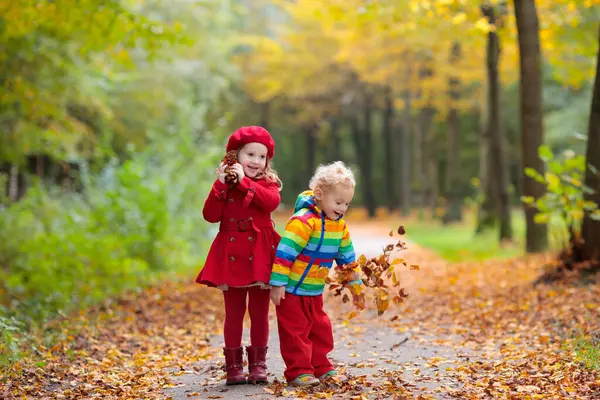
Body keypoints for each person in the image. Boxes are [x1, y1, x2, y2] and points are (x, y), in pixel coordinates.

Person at [196, 126, 282, 385]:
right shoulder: (224, 184)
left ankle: (258, 365)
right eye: (250, 155)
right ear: (235, 156)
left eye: (262, 156)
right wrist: (221, 184)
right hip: (231, 251)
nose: (256, 161)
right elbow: (210, 215)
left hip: (260, 252)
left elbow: (270, 203)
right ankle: (233, 367)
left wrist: (244, 181)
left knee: (259, 312)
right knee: (233, 313)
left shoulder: (267, 184)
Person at [269, 161, 362, 386]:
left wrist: (355, 283)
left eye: (347, 204)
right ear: (319, 195)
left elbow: (347, 258)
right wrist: (278, 283)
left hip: (313, 290)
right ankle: (299, 371)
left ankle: (320, 366)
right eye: (338, 202)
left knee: (320, 329)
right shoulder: (303, 221)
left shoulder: (339, 227)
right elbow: (285, 253)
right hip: (291, 290)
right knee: (296, 332)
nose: (342, 208)